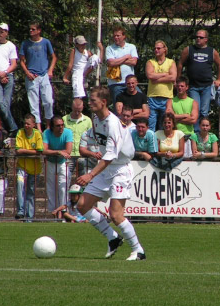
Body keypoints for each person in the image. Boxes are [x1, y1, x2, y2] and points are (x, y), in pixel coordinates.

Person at [75, 86, 146, 261]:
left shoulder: (114, 123)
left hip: (120, 170)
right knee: (82, 205)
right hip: (106, 169)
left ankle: (138, 250)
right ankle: (113, 238)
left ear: (104, 102)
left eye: (93, 100)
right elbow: (95, 140)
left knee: (116, 215)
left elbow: (110, 156)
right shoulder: (96, 119)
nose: (89, 103)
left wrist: (90, 175)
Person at [177, 29, 220, 131]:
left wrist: (218, 79)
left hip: (207, 86)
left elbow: (219, 65)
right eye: (196, 37)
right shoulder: (189, 50)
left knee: (204, 111)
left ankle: (203, 132)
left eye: (201, 37)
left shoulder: (212, 51)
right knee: (195, 110)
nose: (198, 39)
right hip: (193, 86)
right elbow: (180, 64)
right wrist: (178, 80)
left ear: (206, 39)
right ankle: (196, 132)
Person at [19, 21, 57, 132]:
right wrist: (27, 73)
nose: (31, 31)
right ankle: (39, 128)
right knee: (34, 103)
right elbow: (21, 61)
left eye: (33, 29)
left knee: (48, 101)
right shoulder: (25, 43)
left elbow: (53, 57)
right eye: (30, 29)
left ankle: (49, 126)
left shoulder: (45, 42)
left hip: (44, 74)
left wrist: (50, 70)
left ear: (39, 30)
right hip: (32, 76)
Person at [15, 113, 44, 221]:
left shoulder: (37, 134)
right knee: (19, 185)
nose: (26, 126)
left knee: (30, 192)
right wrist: (32, 151)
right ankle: (21, 211)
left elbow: (39, 151)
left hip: (35, 168)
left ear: (33, 125)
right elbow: (18, 150)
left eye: (28, 124)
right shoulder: (20, 132)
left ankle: (29, 216)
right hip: (22, 166)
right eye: (25, 124)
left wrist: (25, 151)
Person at [43, 116, 73, 216]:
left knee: (63, 188)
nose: (61, 128)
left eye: (62, 125)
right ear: (52, 127)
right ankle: (53, 213)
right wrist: (59, 152)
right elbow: (44, 150)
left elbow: (68, 151)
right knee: (51, 188)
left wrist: (53, 152)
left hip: (63, 162)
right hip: (50, 162)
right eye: (58, 126)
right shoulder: (47, 133)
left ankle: (63, 212)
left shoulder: (68, 132)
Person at [145, 40, 176, 131]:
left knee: (164, 125)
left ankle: (162, 144)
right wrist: (165, 74)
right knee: (151, 125)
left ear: (164, 49)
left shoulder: (171, 62)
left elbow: (173, 77)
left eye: (158, 48)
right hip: (152, 97)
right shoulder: (150, 62)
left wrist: (157, 79)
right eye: (155, 48)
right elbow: (150, 75)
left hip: (166, 98)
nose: (156, 50)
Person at [105, 26, 139, 106]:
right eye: (114, 36)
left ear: (124, 36)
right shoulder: (109, 48)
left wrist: (117, 60)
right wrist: (126, 57)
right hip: (116, 83)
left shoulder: (131, 47)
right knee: (118, 107)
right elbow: (111, 63)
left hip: (130, 83)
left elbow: (134, 62)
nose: (116, 38)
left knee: (137, 102)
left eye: (118, 36)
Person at [166, 76, 198, 157]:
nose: (179, 88)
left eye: (182, 86)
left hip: (189, 135)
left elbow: (193, 120)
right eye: (178, 86)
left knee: (188, 160)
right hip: (174, 135)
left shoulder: (193, 102)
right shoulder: (170, 101)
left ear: (187, 87)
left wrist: (176, 119)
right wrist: (185, 115)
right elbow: (168, 117)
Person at [63, 35, 103, 99]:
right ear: (76, 45)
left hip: (84, 70)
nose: (83, 46)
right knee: (78, 94)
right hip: (77, 71)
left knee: (95, 57)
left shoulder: (87, 52)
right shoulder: (74, 51)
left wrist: (101, 49)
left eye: (84, 44)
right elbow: (70, 65)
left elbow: (98, 61)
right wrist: (65, 77)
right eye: (81, 44)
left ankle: (84, 75)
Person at [63, 98, 93, 182]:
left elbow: (91, 138)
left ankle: (82, 195)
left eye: (79, 111)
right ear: (71, 107)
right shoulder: (64, 120)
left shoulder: (87, 120)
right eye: (75, 110)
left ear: (82, 108)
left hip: (83, 156)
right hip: (68, 155)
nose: (77, 113)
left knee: (83, 182)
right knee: (65, 181)